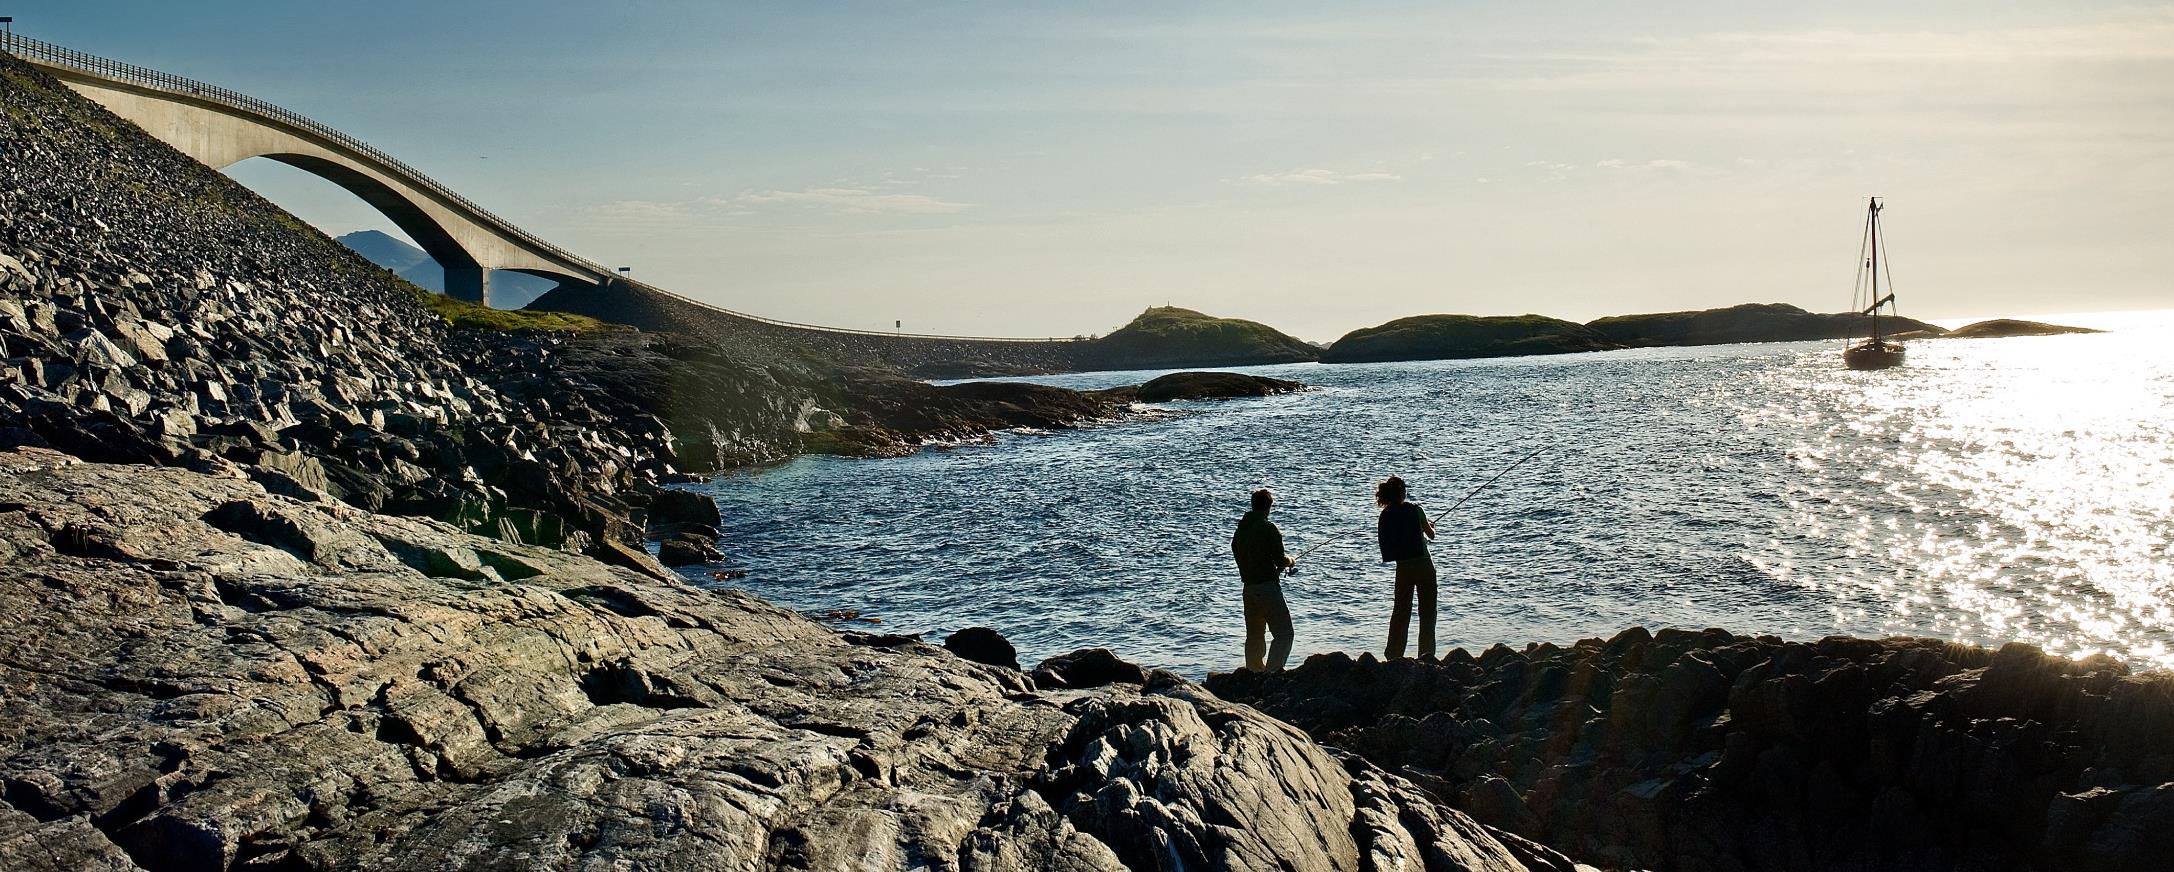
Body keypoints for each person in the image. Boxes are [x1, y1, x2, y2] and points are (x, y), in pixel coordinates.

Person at [1230, 488, 1295, 671]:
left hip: (1248, 588)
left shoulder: (1241, 531)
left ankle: (1253, 671)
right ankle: (1273, 673)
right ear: (1269, 507)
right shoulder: (1268, 528)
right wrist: (1290, 561)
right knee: (1284, 633)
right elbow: (1280, 559)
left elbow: (1238, 551)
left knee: (1255, 635)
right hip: (1267, 587)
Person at [1376, 476, 1437, 660]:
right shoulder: (1416, 510)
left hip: (1403, 568)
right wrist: (1429, 527)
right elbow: (1431, 535)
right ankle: (1426, 655)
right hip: (1424, 566)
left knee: (1401, 612)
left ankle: (1394, 655)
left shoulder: (1386, 515)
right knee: (1427, 612)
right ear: (1402, 492)